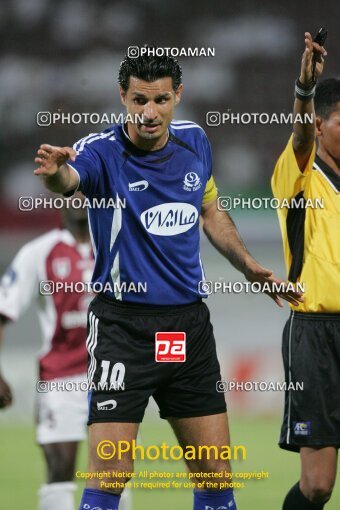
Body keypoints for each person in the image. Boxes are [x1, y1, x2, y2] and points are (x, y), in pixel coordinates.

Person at [34, 48, 303, 510]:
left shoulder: (195, 141)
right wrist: (57, 172)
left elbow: (210, 210)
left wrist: (248, 266)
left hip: (186, 327)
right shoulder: (101, 151)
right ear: (123, 97)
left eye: (160, 100)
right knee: (111, 474)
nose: (149, 112)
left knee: (216, 473)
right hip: (123, 328)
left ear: (178, 95)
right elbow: (68, 181)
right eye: (139, 99)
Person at [0, 197, 132, 510]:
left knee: (115, 472)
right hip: (60, 378)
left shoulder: (121, 246)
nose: (79, 200)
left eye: (86, 193)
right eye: (72, 193)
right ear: (59, 199)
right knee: (60, 470)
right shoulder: (38, 252)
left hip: (113, 376)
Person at [271, 32, 340, 509]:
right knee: (317, 485)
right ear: (320, 123)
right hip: (315, 333)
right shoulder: (300, 170)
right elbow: (299, 135)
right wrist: (304, 89)